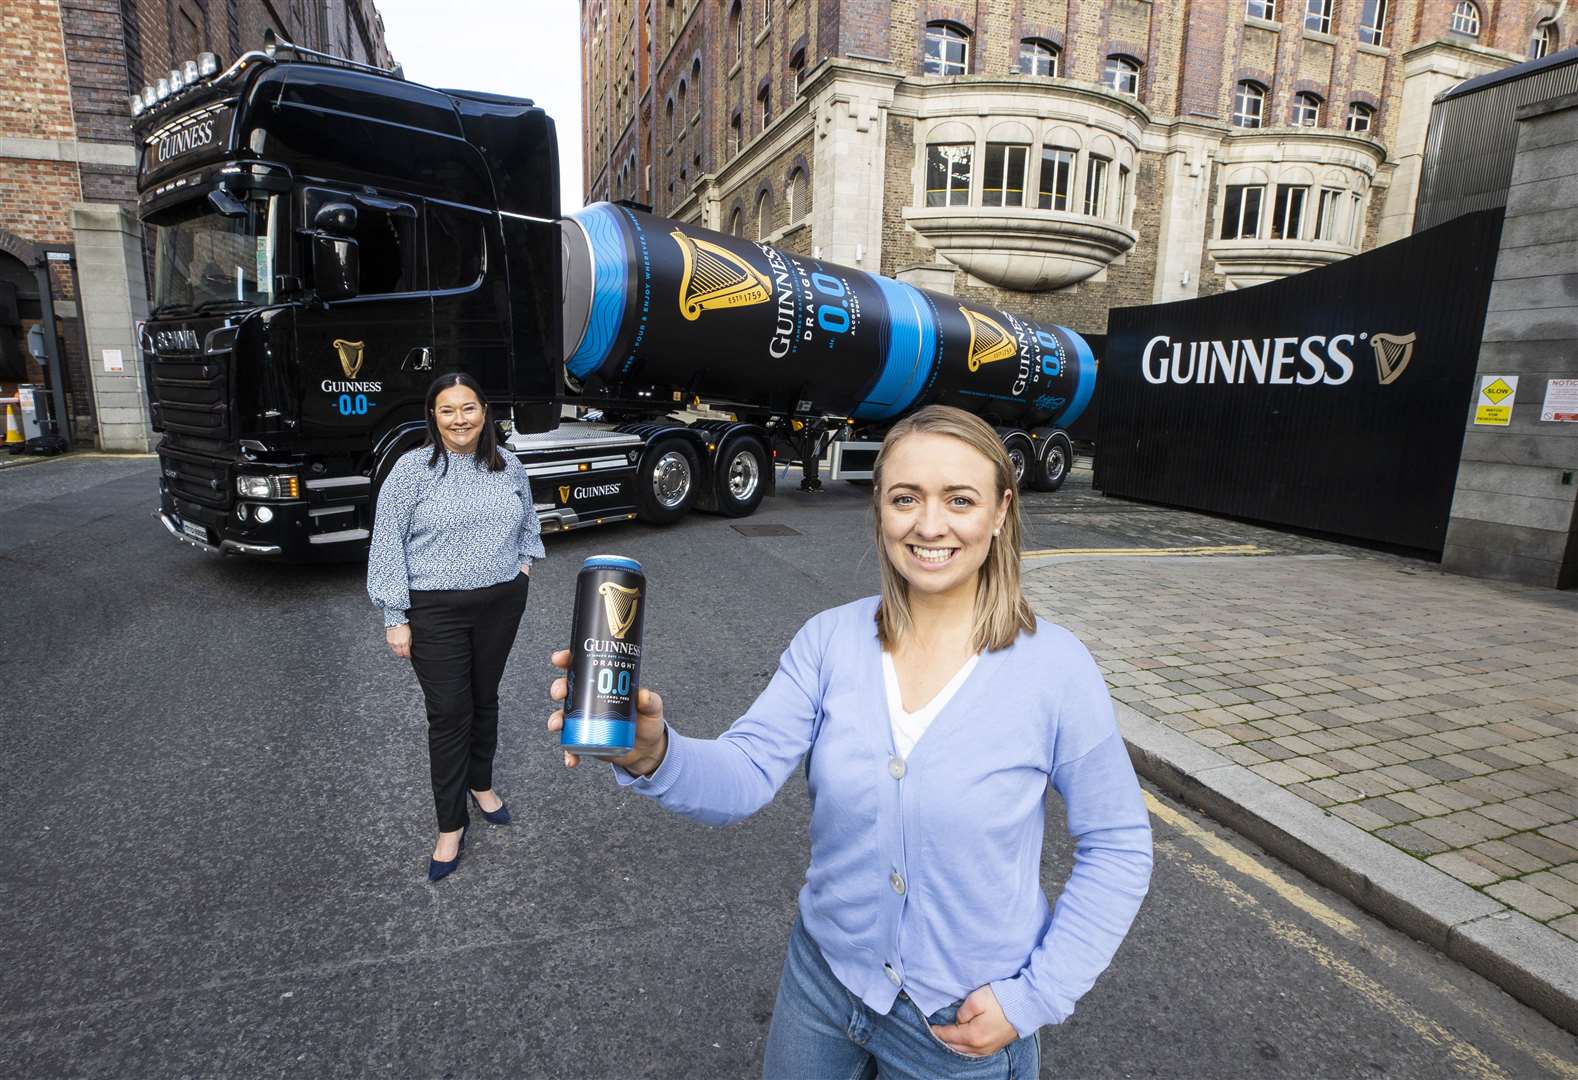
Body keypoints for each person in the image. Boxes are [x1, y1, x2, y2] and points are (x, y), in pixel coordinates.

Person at [547, 404, 1153, 1077]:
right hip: (822, 985)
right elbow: (745, 772)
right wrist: (653, 752)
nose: (930, 524)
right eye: (906, 498)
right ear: (880, 509)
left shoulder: (1056, 669)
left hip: (960, 1024)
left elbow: (1119, 846)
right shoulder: (829, 641)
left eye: (960, 499)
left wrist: (1035, 996)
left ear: (1001, 510)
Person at [369, 371, 545, 882]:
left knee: (484, 697)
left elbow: (528, 522)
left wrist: (523, 566)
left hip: (500, 604)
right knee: (450, 712)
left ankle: (481, 783)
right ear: (433, 416)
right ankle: (450, 825)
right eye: (448, 410)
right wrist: (394, 616)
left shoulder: (507, 464)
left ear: (485, 412)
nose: (459, 419)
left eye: (468, 408)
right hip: (435, 611)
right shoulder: (411, 471)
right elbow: (386, 544)